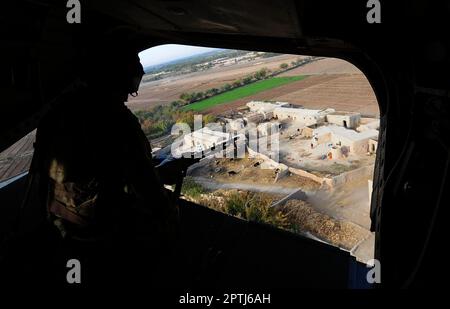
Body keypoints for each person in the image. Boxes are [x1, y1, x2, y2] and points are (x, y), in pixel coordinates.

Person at [2, 40, 179, 287]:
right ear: (119, 77)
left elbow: (86, 169)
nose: (132, 88)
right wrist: (168, 209)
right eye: (133, 78)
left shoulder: (58, 110)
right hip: (93, 228)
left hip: (57, 219)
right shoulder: (116, 119)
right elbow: (145, 185)